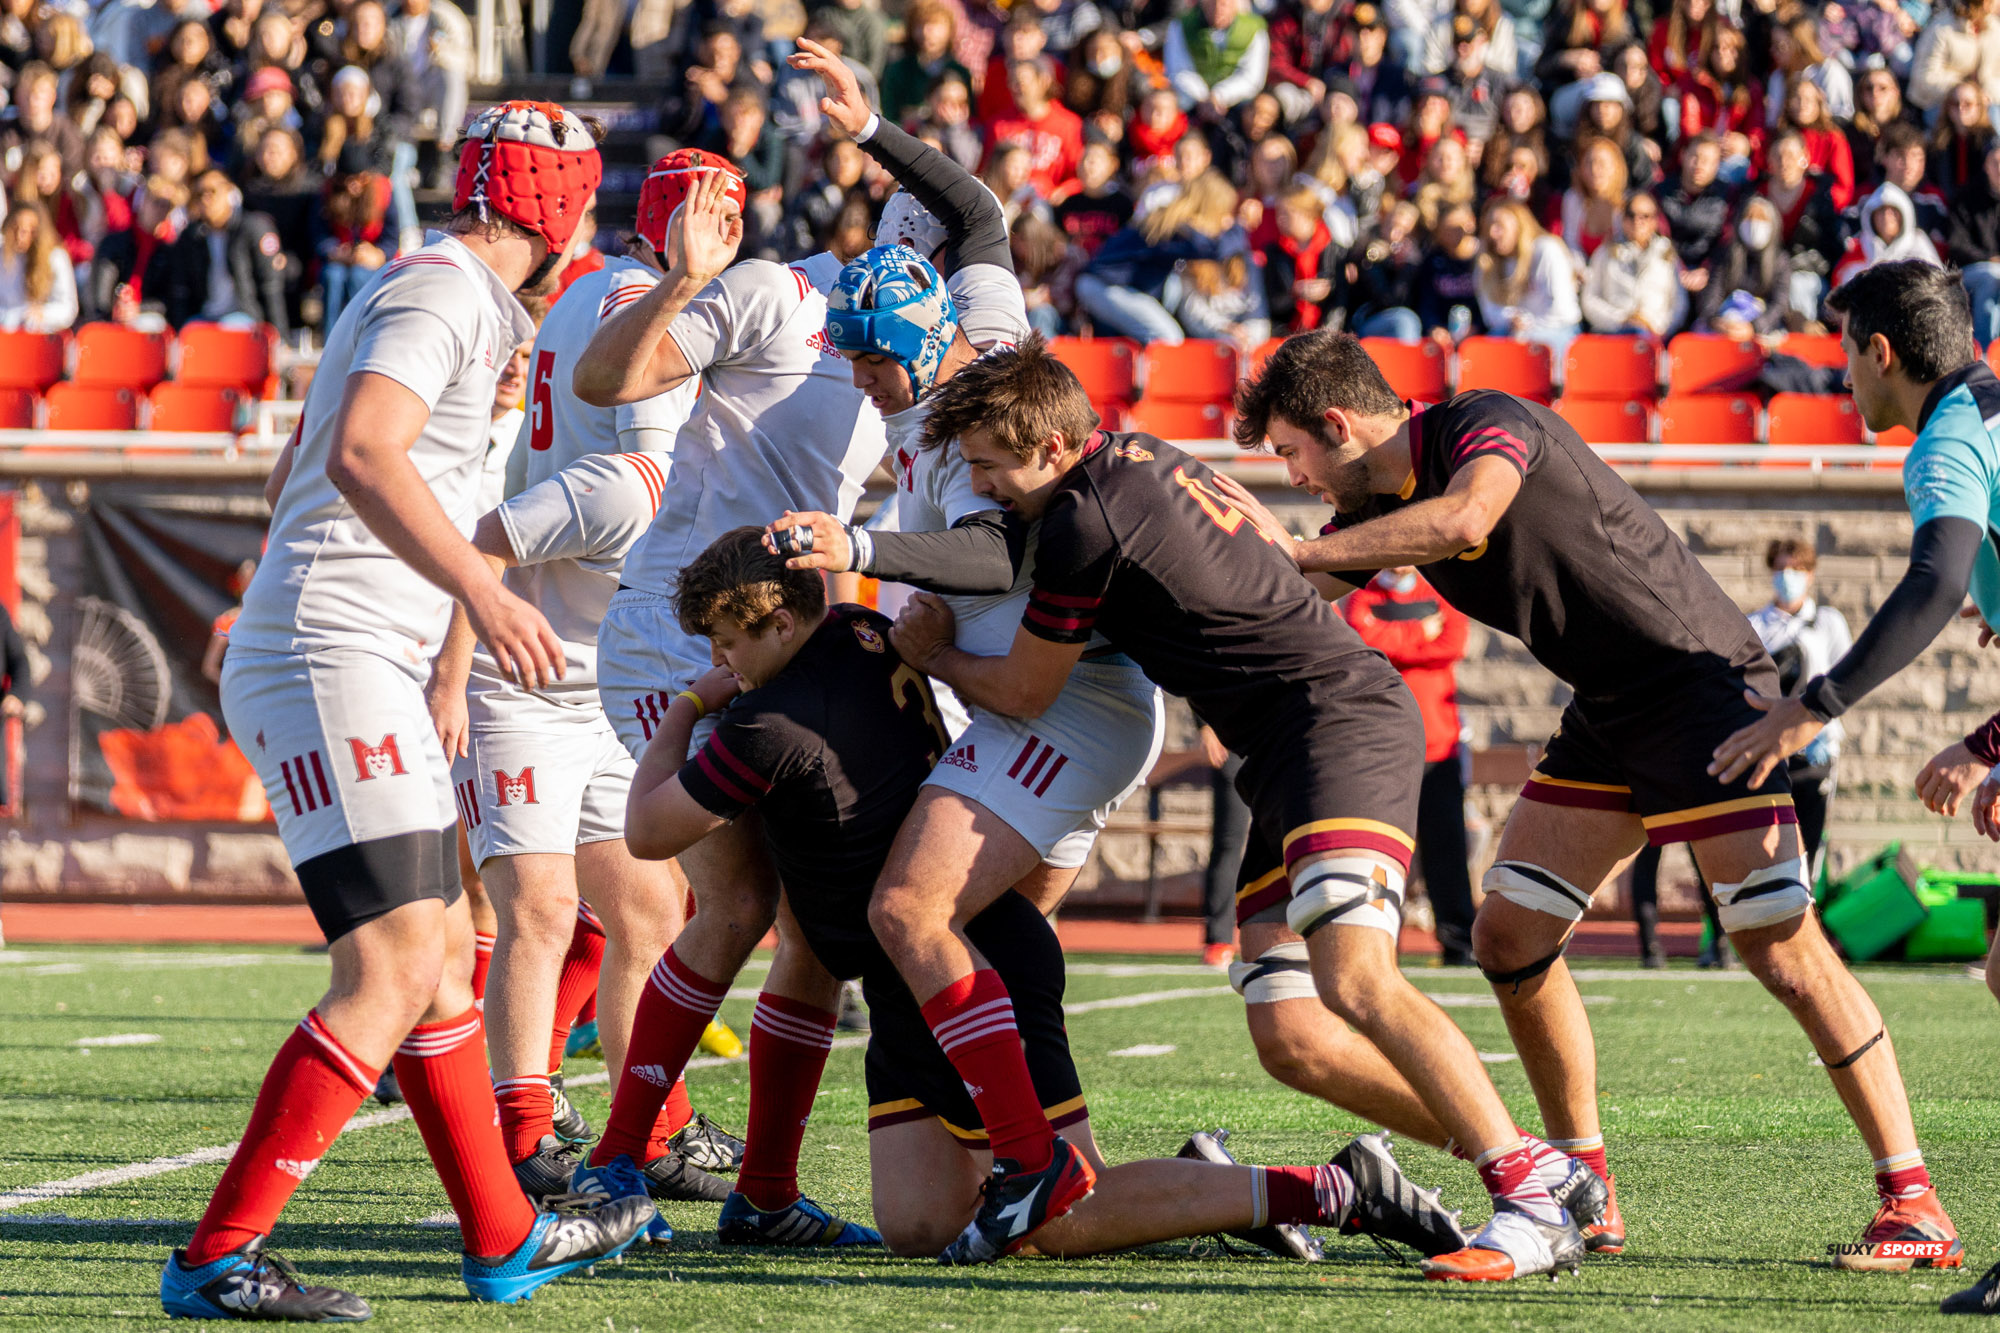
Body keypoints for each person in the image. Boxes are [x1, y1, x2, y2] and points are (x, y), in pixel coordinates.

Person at [1230, 325, 1959, 1274]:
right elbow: (1293, 583)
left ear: (1337, 422)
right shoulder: (1386, 500)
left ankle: (1916, 1203)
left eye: (1291, 453)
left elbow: (1468, 520)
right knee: (1508, 936)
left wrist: (1298, 548)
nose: (1298, 479)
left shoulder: (1482, 422)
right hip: (1612, 710)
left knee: (1782, 949)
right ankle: (1580, 1186)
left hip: (1700, 690)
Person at [890, 336, 1604, 1281]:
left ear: (1052, 447)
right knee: (1294, 1036)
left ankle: (1530, 1196)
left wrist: (930, 648)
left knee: (1356, 980)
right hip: (1287, 742)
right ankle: (1538, 1164)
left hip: (1329, 724)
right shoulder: (1140, 456)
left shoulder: (1081, 515)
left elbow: (1023, 691)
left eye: (988, 464)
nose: (981, 487)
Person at [628, 527, 1463, 1263]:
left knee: (1056, 1218)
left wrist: (691, 705)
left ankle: (1334, 1187)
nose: (719, 661)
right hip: (912, 975)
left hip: (970, 965)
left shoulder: (771, 719)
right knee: (921, 1225)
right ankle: (1192, 1180)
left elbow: (647, 833)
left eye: (727, 642)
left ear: (780, 622)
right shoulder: (859, 627)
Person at [158, 100, 653, 1323]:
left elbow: (306, 468)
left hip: (351, 650)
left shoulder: (450, 294)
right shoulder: (447, 295)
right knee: (389, 967)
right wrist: (476, 592)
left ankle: (503, 1236)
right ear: (558, 204)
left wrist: (425, 646)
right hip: (334, 654)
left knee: (437, 965)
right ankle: (218, 1255)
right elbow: (364, 455)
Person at [760, 47, 1175, 1260]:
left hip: (1063, 703)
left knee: (917, 909)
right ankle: (1047, 1154)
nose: (861, 378)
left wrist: (863, 547)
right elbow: (980, 212)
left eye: (874, 360)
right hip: (1017, 699)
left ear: (924, 343)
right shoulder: (968, 330)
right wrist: (872, 127)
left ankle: (1037, 1166)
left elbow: (990, 560)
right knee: (993, 940)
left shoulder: (979, 424)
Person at [568, 42, 889, 1248]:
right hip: (683, 627)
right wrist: (682, 283)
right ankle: (614, 1161)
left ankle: (759, 1191)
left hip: (788, 635)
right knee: (740, 897)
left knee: (810, 925)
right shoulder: (781, 294)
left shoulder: (933, 348)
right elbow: (608, 379)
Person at [1341, 568, 1475, 966]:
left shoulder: (1441, 593)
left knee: (1445, 849)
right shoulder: (1361, 594)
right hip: (1381, 746)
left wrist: (1393, 638)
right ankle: (1383, 943)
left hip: (1438, 745)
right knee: (1381, 849)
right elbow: (1361, 643)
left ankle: (1458, 942)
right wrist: (1420, 633)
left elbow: (1452, 643)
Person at [1746, 538, 1853, 881]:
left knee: (1810, 846)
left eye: (1796, 568)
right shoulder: (1755, 625)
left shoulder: (1828, 622)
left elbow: (1845, 680)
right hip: (1771, 751)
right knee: (1765, 844)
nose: (1787, 576)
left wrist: (1825, 728)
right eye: (1780, 568)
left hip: (1816, 752)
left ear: (1810, 575)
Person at [142, 168, 290, 334]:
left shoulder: (252, 228)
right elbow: (180, 289)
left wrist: (280, 335)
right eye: (199, 194)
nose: (206, 199)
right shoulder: (192, 237)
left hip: (245, 318)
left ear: (229, 192)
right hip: (205, 316)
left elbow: (270, 285)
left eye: (212, 192)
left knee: (225, 330)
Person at [1475, 196, 1581, 361]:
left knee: (1524, 354)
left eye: (1499, 226)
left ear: (1519, 225)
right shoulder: (1488, 260)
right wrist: (1512, 318)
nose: (1492, 233)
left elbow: (1563, 310)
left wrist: (1528, 326)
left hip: (1557, 330)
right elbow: (1491, 312)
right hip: (1511, 331)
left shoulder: (1546, 250)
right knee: (1484, 353)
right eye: (1489, 227)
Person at [1581, 191, 1685, 335]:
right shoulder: (1606, 252)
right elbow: (1589, 299)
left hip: (1654, 334)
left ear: (1655, 221)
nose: (1637, 221)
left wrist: (1656, 326)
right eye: (1631, 215)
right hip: (1613, 333)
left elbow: (1679, 304)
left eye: (1645, 216)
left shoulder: (1667, 254)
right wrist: (1620, 320)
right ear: (1623, 219)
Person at [1164, 0, 1270, 118]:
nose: (1217, 9)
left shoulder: (1255, 29)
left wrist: (1219, 95)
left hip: (1237, 104)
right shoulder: (1180, 25)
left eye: (1224, 4)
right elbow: (1178, 70)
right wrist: (1203, 98)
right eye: (1212, 3)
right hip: (1193, 102)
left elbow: (1252, 78)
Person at [1946, 139, 2000, 345]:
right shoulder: (1966, 198)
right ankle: (1986, 350)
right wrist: (1991, 259)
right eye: (1995, 162)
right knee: (1992, 277)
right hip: (1969, 274)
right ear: (1985, 165)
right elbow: (1957, 246)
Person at [0, 198, 79, 332]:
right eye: (15, 228)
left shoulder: (55, 258)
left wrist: (44, 313)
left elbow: (68, 308)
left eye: (28, 231)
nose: (20, 236)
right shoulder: (3, 255)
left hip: (40, 335)